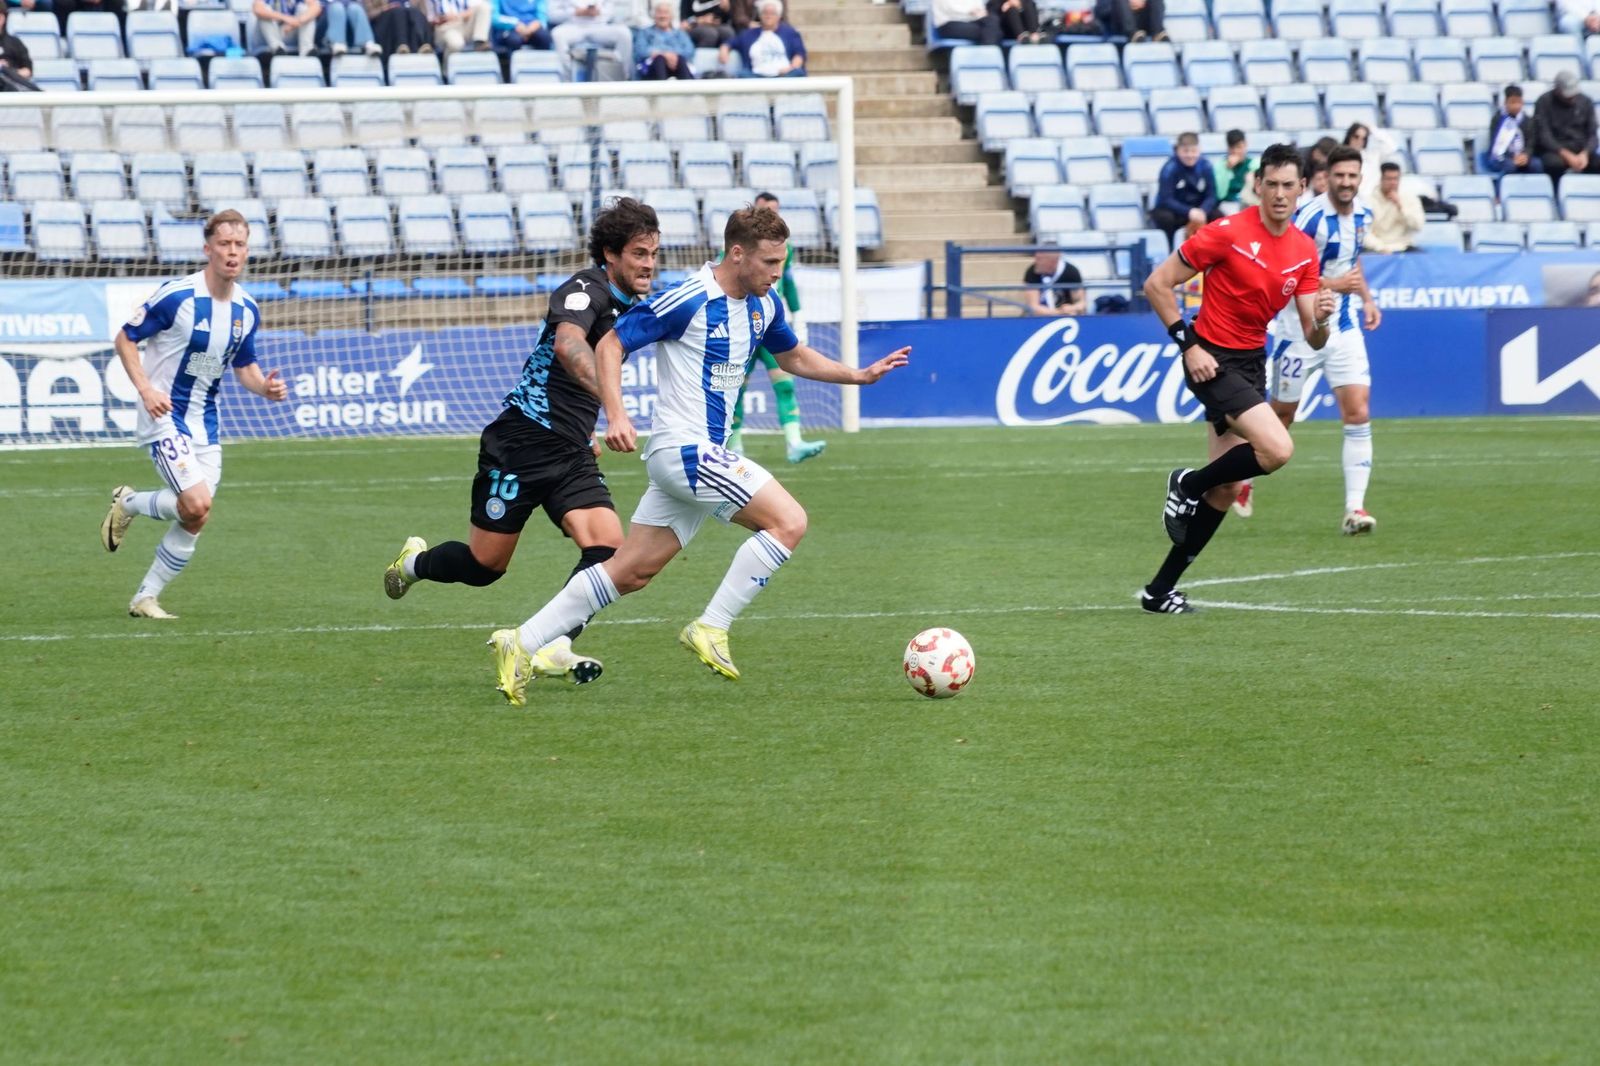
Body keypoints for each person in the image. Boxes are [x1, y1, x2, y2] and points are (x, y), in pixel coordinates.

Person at [486, 206, 910, 704]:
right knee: (789, 522)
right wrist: (616, 415)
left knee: (630, 571)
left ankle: (522, 642)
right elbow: (610, 345)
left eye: (781, 262)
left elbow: (793, 355)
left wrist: (857, 375)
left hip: (698, 457)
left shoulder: (765, 304)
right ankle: (712, 626)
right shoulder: (688, 298)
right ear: (738, 253)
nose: (777, 273)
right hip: (685, 450)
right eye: (770, 262)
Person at [385, 199, 662, 684]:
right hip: (522, 440)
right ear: (610, 254)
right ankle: (414, 564)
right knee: (485, 566)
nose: (649, 264)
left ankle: (553, 644)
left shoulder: (632, 307)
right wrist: (613, 406)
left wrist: (587, 428)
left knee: (610, 550)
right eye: (639, 253)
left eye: (654, 254)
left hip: (571, 449)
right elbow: (568, 346)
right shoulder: (584, 289)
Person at [1137, 143, 1335, 615]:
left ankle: (1158, 591)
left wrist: (1324, 319)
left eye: (1289, 185)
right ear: (1258, 185)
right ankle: (1186, 484)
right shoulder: (1226, 233)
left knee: (1226, 489)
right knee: (1278, 449)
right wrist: (1188, 345)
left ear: (1302, 188)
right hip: (1209, 358)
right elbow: (1157, 284)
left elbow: (1314, 337)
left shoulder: (1304, 251)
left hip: (1250, 364)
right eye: (1272, 184)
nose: (1280, 194)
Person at [100, 211, 287, 620]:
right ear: (208, 249)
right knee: (197, 501)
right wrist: (146, 390)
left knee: (195, 514)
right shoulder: (178, 296)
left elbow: (245, 368)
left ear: (247, 252)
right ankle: (129, 506)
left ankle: (144, 595)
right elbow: (125, 338)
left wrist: (265, 388)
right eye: (224, 244)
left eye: (239, 245)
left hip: (206, 421)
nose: (232, 252)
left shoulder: (247, 309)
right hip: (164, 414)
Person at [1260, 146, 1382, 535]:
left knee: (1358, 411)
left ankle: (1354, 509)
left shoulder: (1364, 215)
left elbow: (1352, 259)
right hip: (1299, 330)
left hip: (1344, 328)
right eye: (1339, 175)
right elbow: (1284, 267)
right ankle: (1241, 479)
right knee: (1281, 417)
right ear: (1326, 177)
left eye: (1352, 176)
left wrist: (1366, 298)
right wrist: (1333, 284)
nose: (1346, 182)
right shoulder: (1309, 216)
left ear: (1360, 178)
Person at [725, 192, 824, 462]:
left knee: (785, 385)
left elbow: (788, 282)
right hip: (743, 328)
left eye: (775, 210)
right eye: (766, 210)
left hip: (770, 326)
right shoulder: (739, 248)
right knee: (735, 390)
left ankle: (794, 442)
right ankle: (734, 448)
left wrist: (798, 317)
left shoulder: (784, 248)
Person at [1150, 132, 1220, 241]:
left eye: (1193, 151)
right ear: (1177, 150)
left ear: (1199, 150)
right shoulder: (1169, 169)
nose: (1190, 155)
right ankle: (1170, 246)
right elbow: (1166, 199)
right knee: (1165, 218)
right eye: (1185, 151)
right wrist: (1189, 211)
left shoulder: (1206, 166)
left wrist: (1203, 210)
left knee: (1219, 217)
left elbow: (1211, 195)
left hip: (1199, 208)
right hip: (1175, 210)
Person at [1532, 72, 1600, 183]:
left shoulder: (1586, 102)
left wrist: (1585, 153)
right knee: (1553, 164)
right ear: (1557, 91)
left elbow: (1593, 134)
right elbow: (1544, 135)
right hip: (1556, 150)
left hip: (1581, 149)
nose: (1571, 98)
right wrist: (1566, 154)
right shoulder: (1544, 102)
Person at [549, 0, 634, 74]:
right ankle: (565, 79)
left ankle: (623, 75)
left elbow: (611, 11)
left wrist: (599, 12)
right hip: (573, 26)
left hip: (600, 26)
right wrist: (575, 12)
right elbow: (552, 16)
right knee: (557, 34)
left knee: (624, 33)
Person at [721, 0, 802, 77]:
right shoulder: (749, 34)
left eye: (772, 13)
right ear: (760, 15)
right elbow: (730, 42)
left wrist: (791, 68)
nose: (768, 16)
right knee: (742, 74)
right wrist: (724, 49)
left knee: (798, 73)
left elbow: (799, 54)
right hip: (756, 75)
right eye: (765, 13)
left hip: (783, 75)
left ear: (779, 16)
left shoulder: (790, 33)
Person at [1365, 161, 1424, 253]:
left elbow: (1418, 226)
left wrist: (1401, 206)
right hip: (1376, 249)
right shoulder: (1368, 201)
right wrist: (1380, 247)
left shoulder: (1410, 198)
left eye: (1396, 179)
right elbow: (1365, 231)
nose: (1393, 183)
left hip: (1404, 248)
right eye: (1389, 179)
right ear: (1381, 179)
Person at [1484, 86, 1543, 175]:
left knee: (1537, 165)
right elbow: (1497, 144)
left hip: (1522, 156)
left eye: (1519, 102)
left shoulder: (1527, 120)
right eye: (1512, 102)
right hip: (1502, 157)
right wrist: (1512, 157)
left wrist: (1526, 155)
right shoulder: (1498, 120)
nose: (1516, 106)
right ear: (1505, 102)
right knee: (1510, 166)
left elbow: (1531, 142)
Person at [634, 0, 692, 78]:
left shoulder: (680, 34)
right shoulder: (645, 32)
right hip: (653, 69)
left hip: (677, 66)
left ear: (671, 16)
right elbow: (640, 52)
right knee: (660, 59)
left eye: (666, 12)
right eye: (659, 12)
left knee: (680, 59)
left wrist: (672, 56)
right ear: (653, 15)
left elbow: (689, 51)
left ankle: (687, 85)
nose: (663, 16)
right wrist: (663, 55)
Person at [1022, 248, 1086, 316]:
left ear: (1052, 262)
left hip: (1067, 316)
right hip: (1041, 316)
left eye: (1039, 259)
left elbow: (1081, 304)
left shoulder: (1071, 272)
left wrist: (1072, 308)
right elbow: (1033, 307)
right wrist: (1059, 312)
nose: (1035, 262)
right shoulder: (1032, 272)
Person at [1213, 130, 1258, 213]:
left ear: (1245, 145)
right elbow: (1220, 194)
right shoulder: (1220, 166)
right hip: (1228, 204)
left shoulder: (1255, 165)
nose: (1236, 151)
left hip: (1249, 203)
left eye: (1239, 147)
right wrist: (1226, 169)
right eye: (1232, 148)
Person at [255, 0, 321, 55]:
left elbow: (316, 8)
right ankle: (277, 50)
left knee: (305, 10)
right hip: (270, 33)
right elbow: (258, 9)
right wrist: (285, 18)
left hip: (290, 30)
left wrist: (298, 21)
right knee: (265, 10)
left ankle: (307, 52)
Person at [368, 0, 433, 54]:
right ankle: (401, 45)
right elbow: (368, 15)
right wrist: (386, 8)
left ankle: (422, 46)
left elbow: (424, 15)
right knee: (398, 12)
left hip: (409, 27)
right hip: (385, 29)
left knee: (415, 12)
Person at [931, 0, 998, 44]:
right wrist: (970, 11)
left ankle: (987, 56)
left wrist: (980, 12)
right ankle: (987, 57)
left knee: (992, 21)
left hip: (971, 21)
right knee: (990, 32)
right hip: (948, 24)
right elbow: (949, 8)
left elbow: (980, 8)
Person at [1094, 0, 1165, 41]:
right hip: (1119, 25)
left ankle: (1158, 33)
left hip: (1141, 22)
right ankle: (1132, 34)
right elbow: (1100, 11)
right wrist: (1128, 3)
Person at [0, 6, 33, 82]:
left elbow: (28, 70)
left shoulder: (15, 42)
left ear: (3, 18)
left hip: (12, 82)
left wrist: (9, 72)